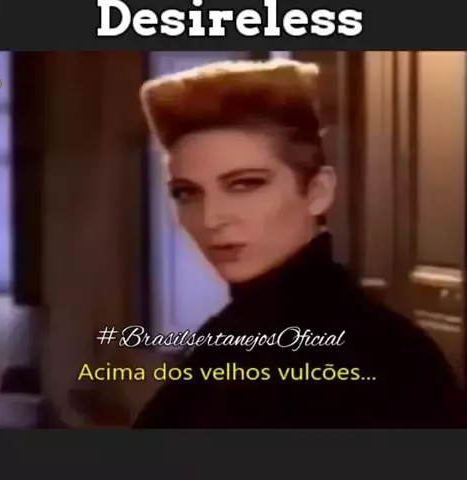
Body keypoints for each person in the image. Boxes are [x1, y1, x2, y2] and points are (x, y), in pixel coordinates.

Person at [134, 59, 464, 428]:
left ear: (318, 192)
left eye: (245, 184)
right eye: (187, 193)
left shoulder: (376, 357)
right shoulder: (232, 333)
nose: (211, 219)